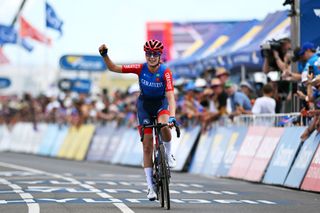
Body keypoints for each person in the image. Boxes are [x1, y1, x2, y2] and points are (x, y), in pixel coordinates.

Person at [99, 39, 177, 201]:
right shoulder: (140, 68)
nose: (152, 57)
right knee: (147, 146)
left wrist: (172, 116)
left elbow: (170, 97)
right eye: (149, 54)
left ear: (159, 55)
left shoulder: (165, 72)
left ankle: (169, 155)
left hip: (160, 104)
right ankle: (150, 186)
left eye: (155, 54)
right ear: (145, 54)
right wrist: (104, 55)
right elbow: (113, 67)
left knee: (164, 127)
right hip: (144, 107)